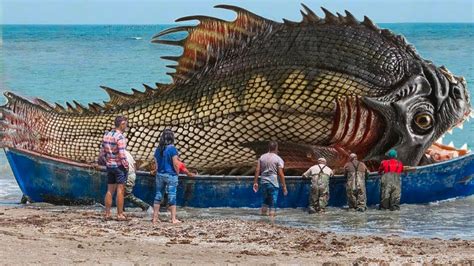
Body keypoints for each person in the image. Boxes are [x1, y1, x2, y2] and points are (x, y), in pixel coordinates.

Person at [99, 116, 129, 220]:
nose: (126, 126)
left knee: (110, 190)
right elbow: (122, 154)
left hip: (109, 165)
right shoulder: (120, 137)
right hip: (118, 166)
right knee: (120, 190)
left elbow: (102, 153)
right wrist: (126, 165)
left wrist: (106, 162)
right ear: (122, 124)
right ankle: (119, 214)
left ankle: (107, 214)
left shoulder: (106, 135)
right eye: (126, 124)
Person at [152, 128, 181, 224]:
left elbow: (156, 163)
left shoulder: (158, 149)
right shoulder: (172, 149)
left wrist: (157, 171)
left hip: (160, 174)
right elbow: (176, 163)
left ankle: (155, 218)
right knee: (172, 195)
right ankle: (173, 219)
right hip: (171, 175)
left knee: (158, 195)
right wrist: (177, 173)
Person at [252, 141, 288, 217]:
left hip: (263, 182)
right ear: (276, 148)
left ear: (268, 147)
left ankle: (263, 219)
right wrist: (284, 186)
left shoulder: (262, 157)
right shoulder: (278, 159)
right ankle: (271, 222)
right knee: (273, 203)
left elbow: (257, 170)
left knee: (265, 201)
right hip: (273, 182)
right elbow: (281, 174)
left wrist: (255, 182)